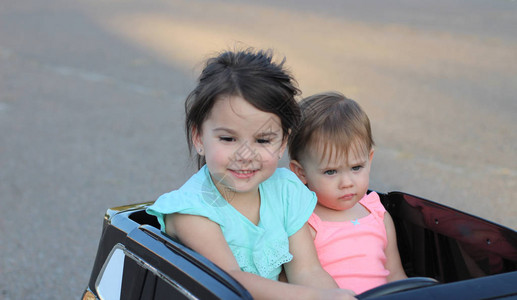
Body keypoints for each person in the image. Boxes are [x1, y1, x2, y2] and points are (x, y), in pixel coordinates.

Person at [146, 49, 355, 299]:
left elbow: (307, 270)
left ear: (282, 142)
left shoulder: (285, 190)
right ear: (199, 137)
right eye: (228, 138)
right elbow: (231, 280)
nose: (245, 155)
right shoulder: (192, 210)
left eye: (263, 140)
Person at [288, 92, 407, 294]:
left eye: (356, 167)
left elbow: (395, 276)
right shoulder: (304, 222)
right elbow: (297, 280)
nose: (347, 183)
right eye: (331, 171)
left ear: (369, 159)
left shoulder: (378, 215)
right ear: (301, 173)